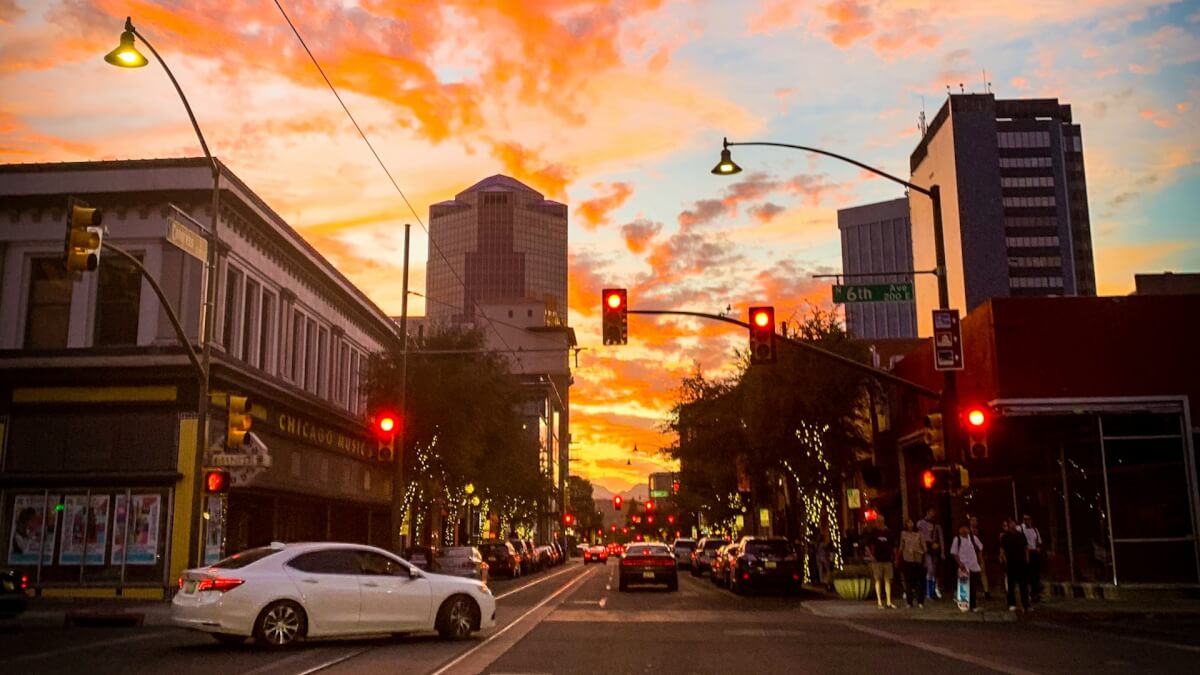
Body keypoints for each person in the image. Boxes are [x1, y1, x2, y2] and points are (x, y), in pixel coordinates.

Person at [999, 518, 1031, 612]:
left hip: (1021, 562)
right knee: (1011, 585)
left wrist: (1027, 559)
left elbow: (1026, 548)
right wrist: (1005, 560)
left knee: (1023, 584)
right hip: (1011, 562)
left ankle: (1026, 604)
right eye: (1010, 523)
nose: (1012, 525)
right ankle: (1011, 603)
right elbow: (1002, 550)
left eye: (1013, 523)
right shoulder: (1005, 537)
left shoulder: (1021, 535)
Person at [950, 523, 984, 611]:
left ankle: (973, 605)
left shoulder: (973, 538)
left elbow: (980, 547)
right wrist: (960, 564)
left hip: (973, 564)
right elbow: (954, 553)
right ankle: (963, 605)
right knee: (964, 586)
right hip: (963, 565)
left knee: (973, 586)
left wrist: (980, 559)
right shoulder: (957, 539)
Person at [866, 521, 897, 609]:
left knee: (888, 580)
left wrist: (894, 557)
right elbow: (866, 544)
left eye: (881, 522)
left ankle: (888, 601)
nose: (879, 523)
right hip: (877, 560)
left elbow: (893, 545)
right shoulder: (874, 533)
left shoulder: (888, 533)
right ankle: (879, 601)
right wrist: (871, 556)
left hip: (887, 559)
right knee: (878, 580)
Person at [917, 508, 944, 600]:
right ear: (928, 512)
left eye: (934, 512)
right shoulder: (921, 523)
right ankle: (928, 592)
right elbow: (919, 536)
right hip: (925, 547)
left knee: (934, 570)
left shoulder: (936, 524)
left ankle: (933, 591)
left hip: (934, 547)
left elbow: (940, 538)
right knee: (930, 568)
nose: (933, 514)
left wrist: (942, 550)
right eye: (931, 512)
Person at [898, 518, 926, 608]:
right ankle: (909, 602)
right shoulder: (903, 534)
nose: (910, 524)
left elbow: (924, 545)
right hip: (907, 559)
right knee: (908, 581)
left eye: (911, 522)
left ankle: (920, 601)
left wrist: (922, 552)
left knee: (919, 581)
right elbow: (901, 546)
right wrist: (899, 555)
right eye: (908, 523)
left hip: (918, 558)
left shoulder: (918, 534)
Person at [1019, 514, 1043, 601]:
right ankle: (1027, 593)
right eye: (1025, 519)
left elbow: (1039, 541)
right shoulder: (1021, 529)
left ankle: (1035, 592)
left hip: (1034, 553)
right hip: (1026, 553)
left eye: (1029, 519)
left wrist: (1038, 548)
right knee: (1027, 574)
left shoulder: (1035, 530)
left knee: (1035, 574)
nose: (1027, 521)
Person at [970, 515, 990, 600]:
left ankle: (987, 591)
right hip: (970, 554)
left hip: (979, 554)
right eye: (973, 520)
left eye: (976, 520)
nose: (974, 522)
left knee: (983, 572)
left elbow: (983, 543)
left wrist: (983, 555)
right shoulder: (967, 532)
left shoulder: (980, 532)